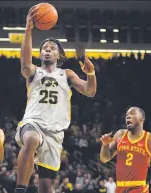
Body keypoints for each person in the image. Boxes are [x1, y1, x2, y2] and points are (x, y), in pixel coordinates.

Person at [14, 4, 97, 193]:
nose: (47, 50)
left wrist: (91, 74)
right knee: (32, 139)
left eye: (51, 48)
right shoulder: (34, 71)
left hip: (55, 132)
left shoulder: (66, 74)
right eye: (44, 48)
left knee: (46, 186)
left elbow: (89, 91)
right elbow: (25, 64)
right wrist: (28, 28)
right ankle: (19, 189)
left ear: (59, 54)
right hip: (32, 122)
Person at [100, 107, 151, 193]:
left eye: (132, 113)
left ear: (141, 118)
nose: (128, 116)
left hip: (139, 188)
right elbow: (105, 158)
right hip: (120, 188)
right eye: (127, 115)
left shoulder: (148, 139)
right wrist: (105, 145)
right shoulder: (120, 134)